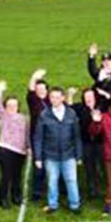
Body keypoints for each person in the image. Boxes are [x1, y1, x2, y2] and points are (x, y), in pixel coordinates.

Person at [32, 86, 83, 214]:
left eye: (57, 97)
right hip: (50, 155)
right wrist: (38, 157)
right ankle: (53, 205)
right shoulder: (44, 115)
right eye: (52, 97)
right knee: (52, 181)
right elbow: (38, 137)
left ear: (63, 98)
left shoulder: (71, 113)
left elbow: (77, 136)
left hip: (69, 154)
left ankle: (75, 205)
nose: (54, 100)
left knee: (71, 180)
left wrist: (79, 155)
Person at [0, 80, 30, 209]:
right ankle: (2, 198)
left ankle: (16, 197)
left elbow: (27, 134)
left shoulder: (24, 118)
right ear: (6, 106)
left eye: (14, 105)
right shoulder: (4, 115)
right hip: (5, 149)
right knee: (6, 175)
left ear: (18, 106)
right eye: (9, 105)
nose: (12, 107)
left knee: (17, 175)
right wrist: (0, 89)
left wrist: (29, 147)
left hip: (20, 151)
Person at [25, 69, 50, 200]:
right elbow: (30, 90)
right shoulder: (33, 101)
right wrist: (34, 76)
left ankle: (55, 189)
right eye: (38, 89)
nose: (41, 91)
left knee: (51, 164)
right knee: (38, 166)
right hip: (37, 138)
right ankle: (37, 192)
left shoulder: (51, 101)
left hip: (51, 138)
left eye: (43, 89)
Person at [77, 88, 104, 200]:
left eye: (90, 96)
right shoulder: (80, 108)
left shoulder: (101, 107)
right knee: (89, 167)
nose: (88, 99)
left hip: (99, 142)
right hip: (86, 142)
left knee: (99, 166)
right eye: (86, 97)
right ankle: (92, 190)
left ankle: (100, 188)